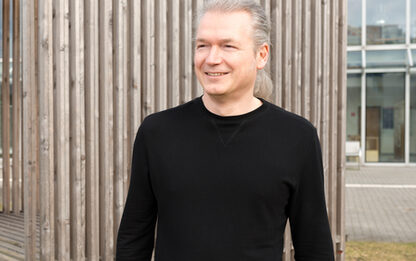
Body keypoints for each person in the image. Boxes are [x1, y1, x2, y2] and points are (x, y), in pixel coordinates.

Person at [115, 0, 334, 260]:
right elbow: (133, 239)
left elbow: (314, 246)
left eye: (227, 46)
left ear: (261, 55)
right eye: (202, 45)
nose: (212, 58)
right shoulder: (157, 132)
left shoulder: (297, 137)